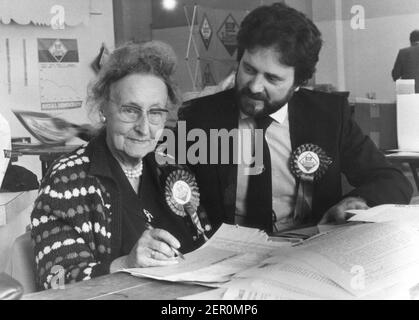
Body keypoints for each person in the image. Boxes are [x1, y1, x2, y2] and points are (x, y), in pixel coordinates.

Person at [179, 3, 413, 234]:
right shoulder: (198, 117)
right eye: (249, 69)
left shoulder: (329, 117)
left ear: (299, 83)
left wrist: (355, 202)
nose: (255, 86)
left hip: (307, 252)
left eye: (272, 78)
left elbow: (391, 180)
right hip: (222, 259)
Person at [31, 41, 204, 290]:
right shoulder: (67, 180)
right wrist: (125, 264)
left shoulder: (173, 169)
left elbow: (201, 241)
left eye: (155, 112)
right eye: (130, 110)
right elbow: (55, 279)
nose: (144, 128)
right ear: (103, 109)